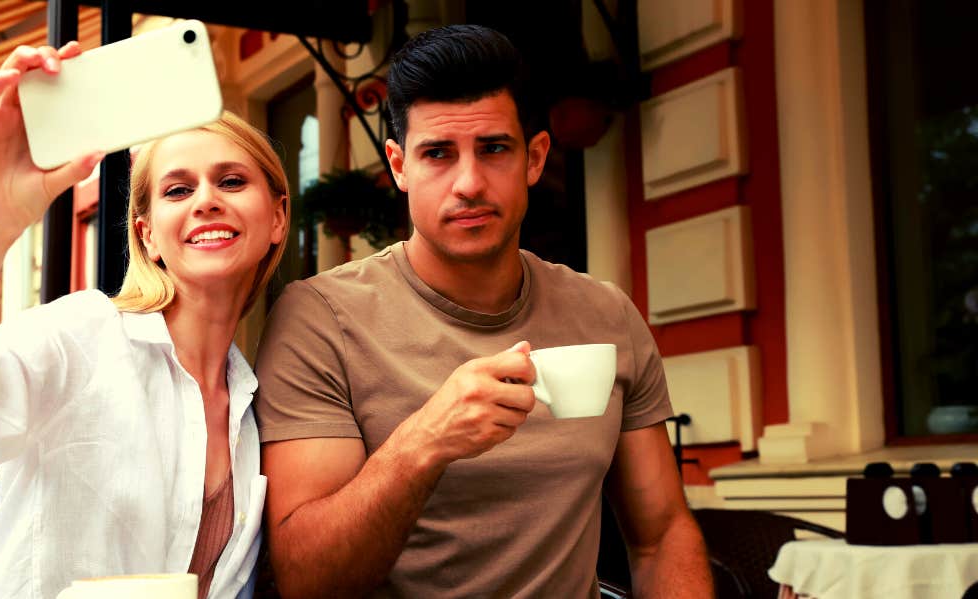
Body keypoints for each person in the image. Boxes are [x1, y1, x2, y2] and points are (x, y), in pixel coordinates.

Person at [254, 24, 712, 598]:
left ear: (535, 157)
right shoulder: (321, 317)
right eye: (438, 154)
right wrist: (425, 441)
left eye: (493, 149)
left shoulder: (606, 315)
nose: (468, 183)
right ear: (398, 166)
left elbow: (662, 534)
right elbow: (308, 581)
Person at [0, 41, 289, 599]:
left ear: (277, 217)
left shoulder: (254, 402)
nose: (205, 200)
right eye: (177, 189)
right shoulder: (85, 336)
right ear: (148, 235)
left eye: (232, 181)